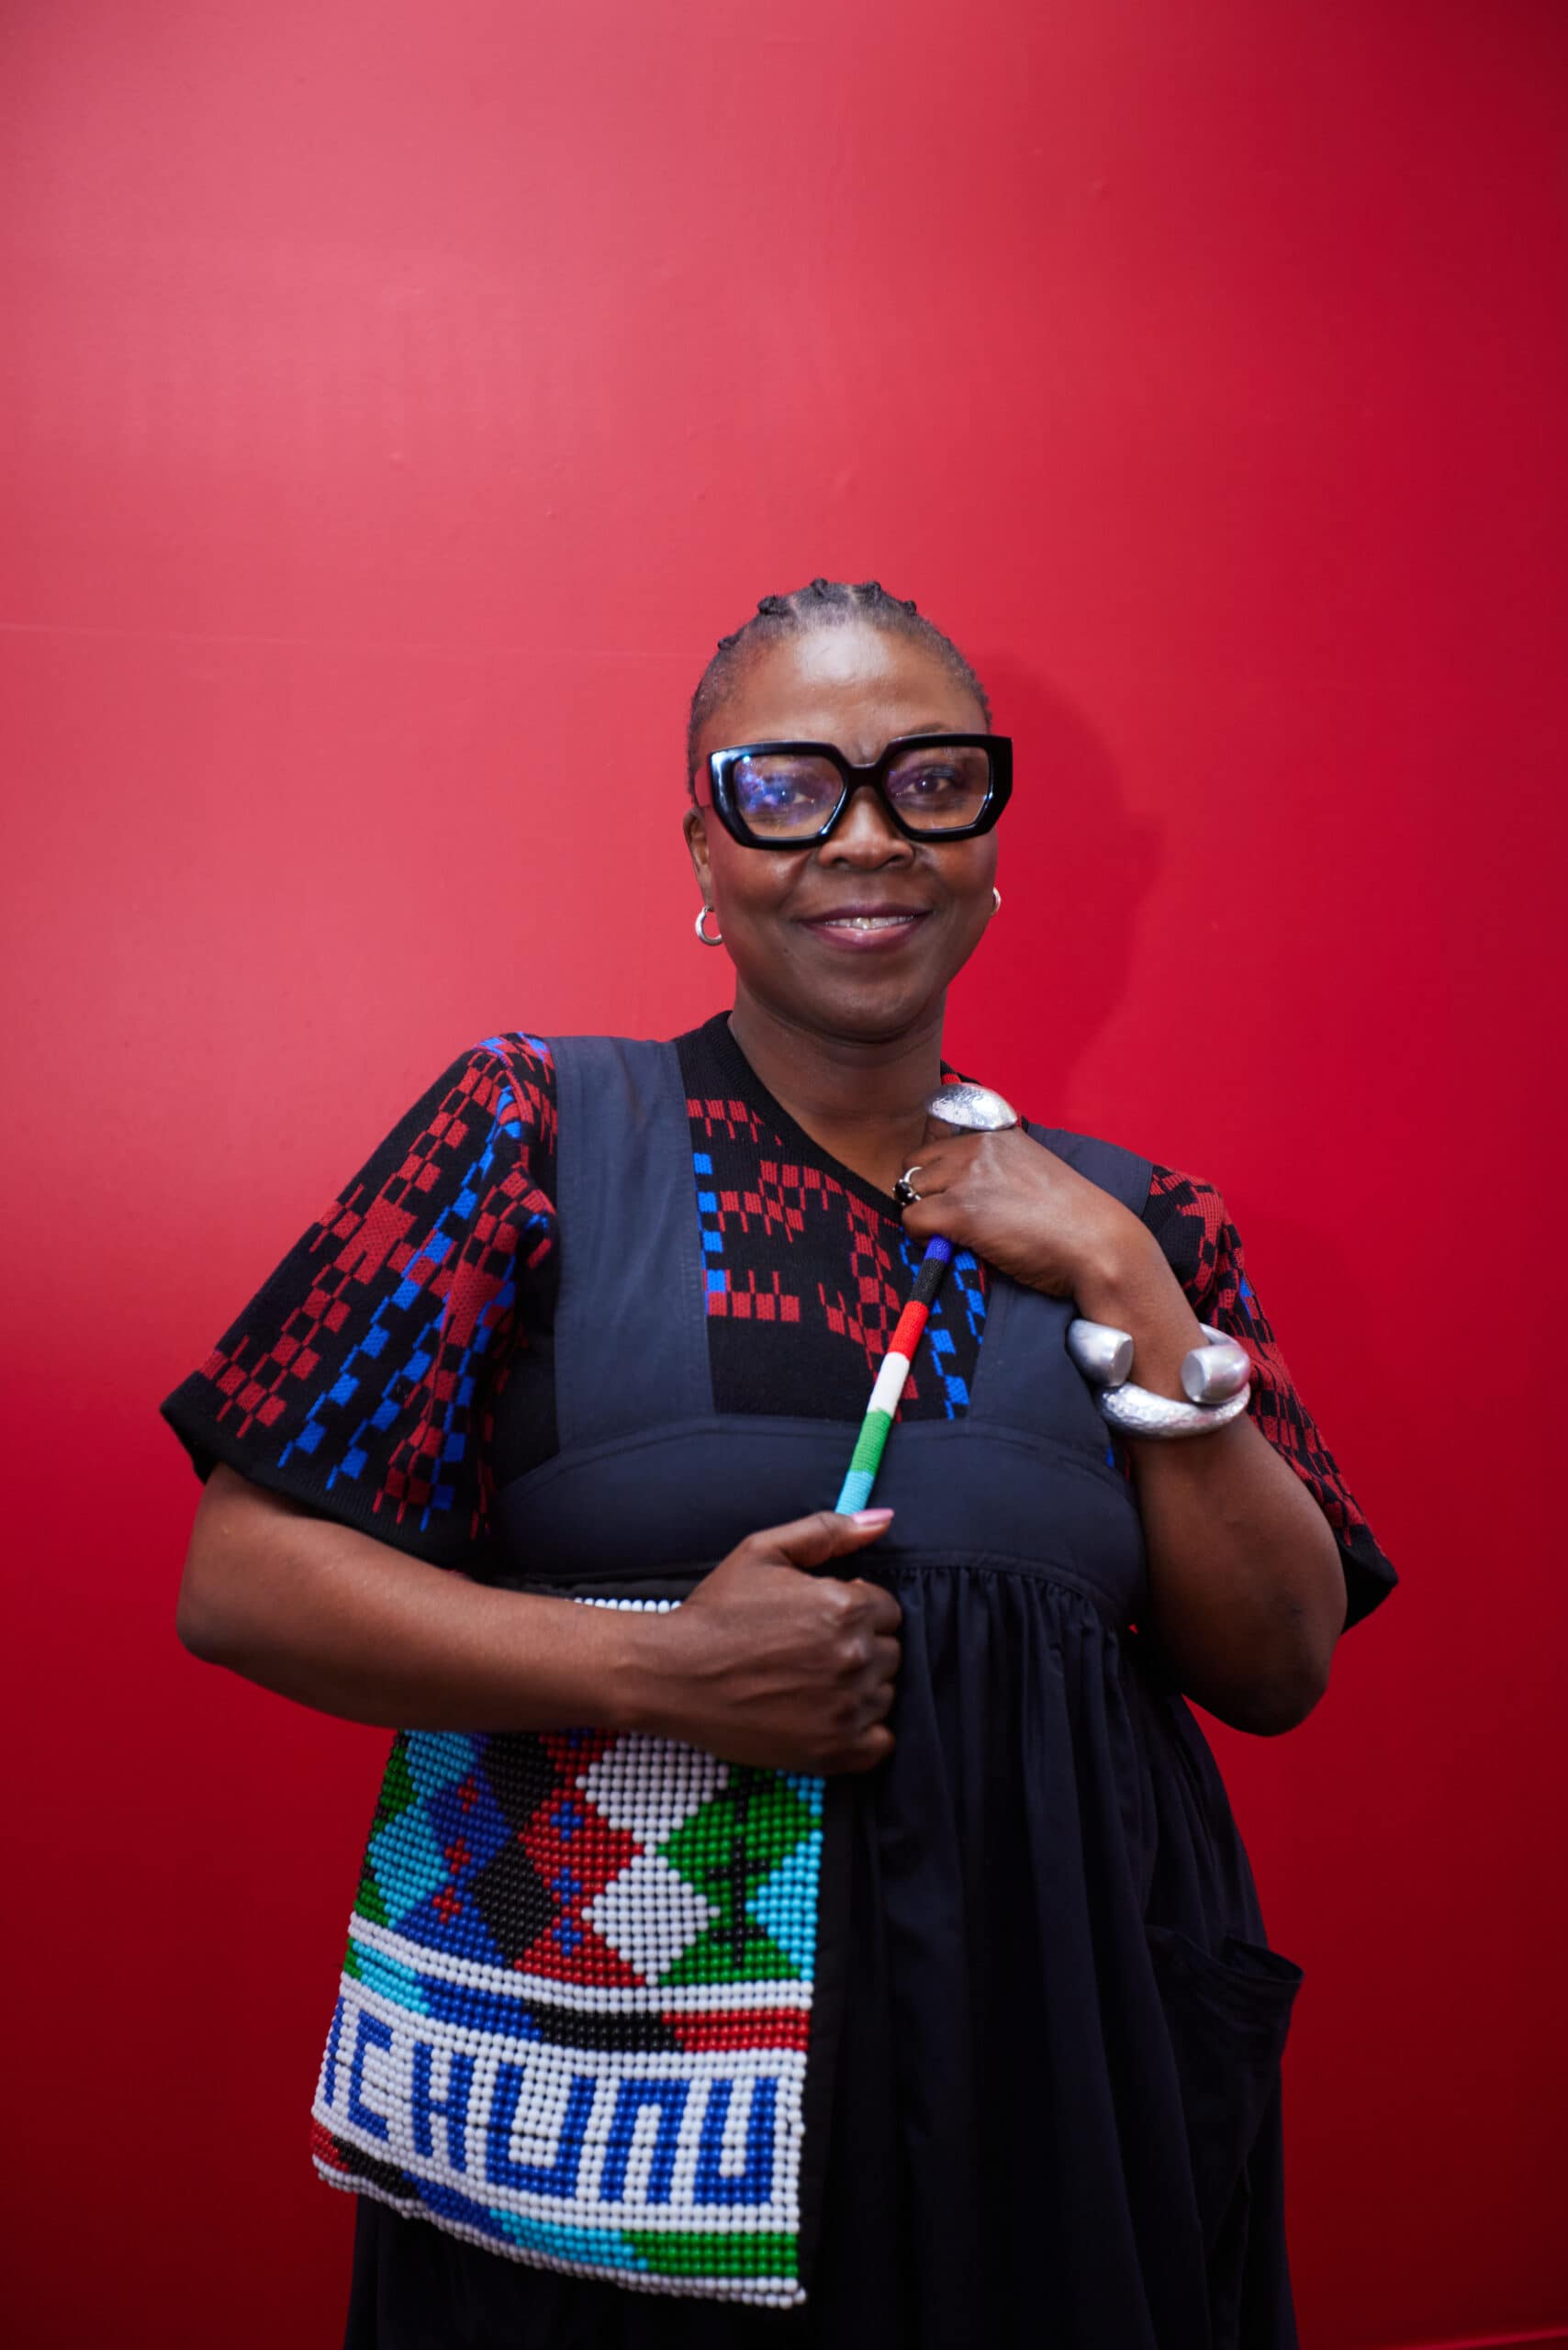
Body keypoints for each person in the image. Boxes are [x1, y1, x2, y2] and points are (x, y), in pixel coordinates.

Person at [164, 576, 1394, 2350]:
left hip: (1054, 2083)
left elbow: (1277, 1667)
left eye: (930, 782)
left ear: (990, 842)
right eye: (791, 789)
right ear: (706, 846)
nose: (867, 838)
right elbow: (241, 1576)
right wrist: (661, 1667)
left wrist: (1125, 1283)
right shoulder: (533, 1130)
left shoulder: (1147, 1220)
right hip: (613, 2110)